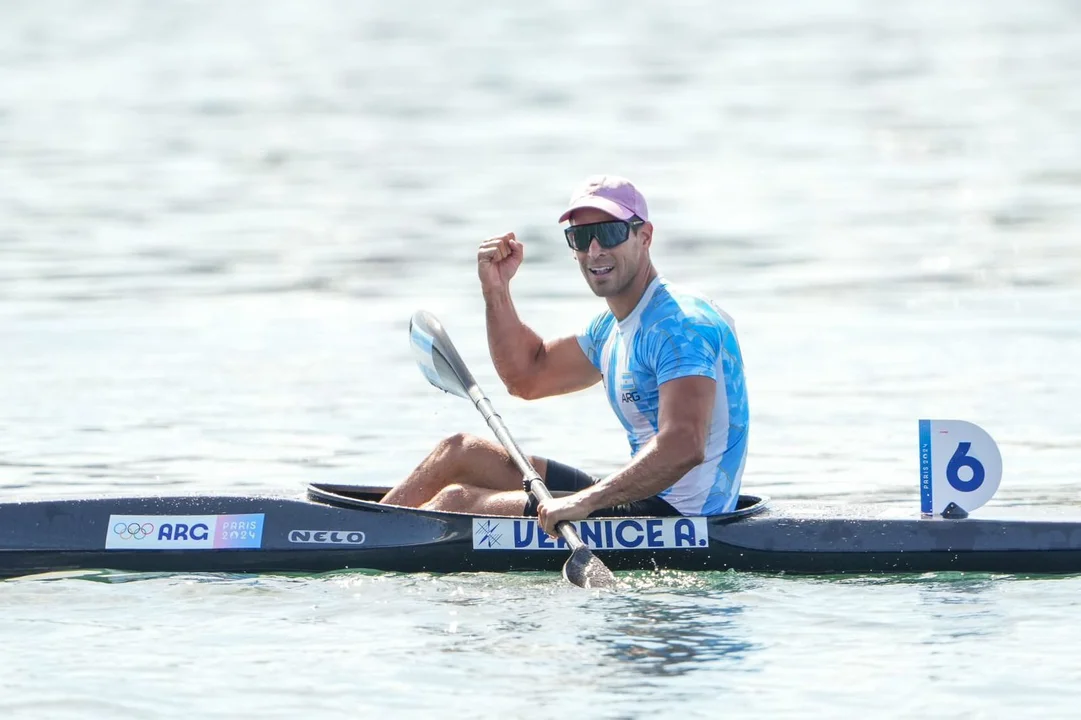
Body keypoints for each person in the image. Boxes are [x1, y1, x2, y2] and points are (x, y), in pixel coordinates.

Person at [381, 175, 749, 536]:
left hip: (681, 518)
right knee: (458, 452)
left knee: (455, 502)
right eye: (580, 237)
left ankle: (362, 542)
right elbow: (528, 376)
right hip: (639, 498)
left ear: (645, 236)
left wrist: (586, 502)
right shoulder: (610, 328)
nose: (594, 251)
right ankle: (358, 529)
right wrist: (496, 292)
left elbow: (684, 444)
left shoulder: (681, 326)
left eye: (608, 233)